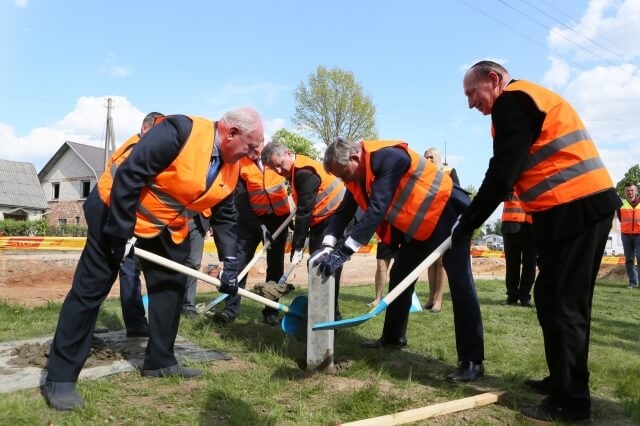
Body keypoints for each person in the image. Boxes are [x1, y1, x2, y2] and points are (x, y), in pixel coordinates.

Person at [42, 107, 265, 411]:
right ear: (232, 133)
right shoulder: (180, 131)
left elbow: (224, 216)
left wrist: (231, 262)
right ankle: (61, 378)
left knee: (170, 287)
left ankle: (160, 361)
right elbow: (130, 176)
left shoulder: (232, 166)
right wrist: (120, 235)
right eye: (252, 146)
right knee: (89, 290)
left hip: (162, 225)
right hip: (114, 211)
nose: (254, 154)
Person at [459, 60, 620, 423]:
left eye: (472, 92)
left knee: (565, 305)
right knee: (550, 297)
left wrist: (467, 223)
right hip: (566, 214)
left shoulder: (513, 102)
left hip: (578, 209)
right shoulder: (524, 101)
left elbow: (502, 173)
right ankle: (561, 380)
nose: (471, 103)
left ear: (494, 79)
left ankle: (572, 403)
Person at [316, 137, 485, 383]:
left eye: (345, 174)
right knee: (400, 276)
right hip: (418, 226)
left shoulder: (389, 158)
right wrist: (328, 245)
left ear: (354, 158)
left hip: (446, 216)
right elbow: (343, 213)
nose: (345, 180)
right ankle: (394, 337)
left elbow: (378, 208)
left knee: (461, 284)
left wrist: (345, 251)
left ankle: (472, 361)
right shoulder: (356, 177)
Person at [261, 139, 345, 320]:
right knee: (316, 266)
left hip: (336, 218)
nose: (278, 171)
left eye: (280, 164)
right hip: (323, 220)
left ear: (289, 154)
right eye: (273, 168)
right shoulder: (294, 171)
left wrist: (297, 246)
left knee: (324, 266)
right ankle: (325, 314)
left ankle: (330, 317)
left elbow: (305, 211)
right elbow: (303, 209)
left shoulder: (304, 172)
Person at [212, 138, 291, 326]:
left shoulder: (277, 159)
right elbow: (240, 199)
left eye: (257, 146)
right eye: (250, 147)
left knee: (275, 266)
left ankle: (271, 311)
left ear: (263, 142)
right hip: (249, 221)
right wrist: (259, 226)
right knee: (240, 263)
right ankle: (230, 310)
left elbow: (292, 187)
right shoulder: (241, 164)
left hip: (278, 221)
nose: (253, 151)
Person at [117, 112, 165, 336]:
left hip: (149, 225)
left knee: (156, 273)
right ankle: (136, 325)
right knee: (128, 272)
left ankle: (157, 326)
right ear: (145, 128)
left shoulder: (152, 151)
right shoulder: (133, 150)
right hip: (128, 223)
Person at [423, 147, 459, 313]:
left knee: (441, 262)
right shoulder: (424, 174)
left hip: (446, 221)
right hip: (430, 221)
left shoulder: (449, 171)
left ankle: (438, 300)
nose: (427, 159)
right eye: (425, 157)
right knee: (431, 262)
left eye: (430, 157)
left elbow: (457, 195)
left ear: (436, 157)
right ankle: (430, 298)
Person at [501, 191, 536, 306]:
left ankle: (524, 296)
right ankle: (512, 295)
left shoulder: (536, 177)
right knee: (512, 263)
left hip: (532, 225)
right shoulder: (510, 176)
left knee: (530, 264)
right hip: (511, 224)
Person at [181, 214, 209, 318]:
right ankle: (169, 302)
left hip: (197, 221)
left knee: (193, 264)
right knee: (170, 263)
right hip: (171, 219)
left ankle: (188, 306)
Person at [617, 182, 640, 289]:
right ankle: (632, 283)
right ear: (625, 192)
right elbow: (620, 218)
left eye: (632, 190)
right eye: (627, 190)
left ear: (636, 191)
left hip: (639, 235)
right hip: (626, 235)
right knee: (629, 260)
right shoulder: (621, 204)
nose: (630, 192)